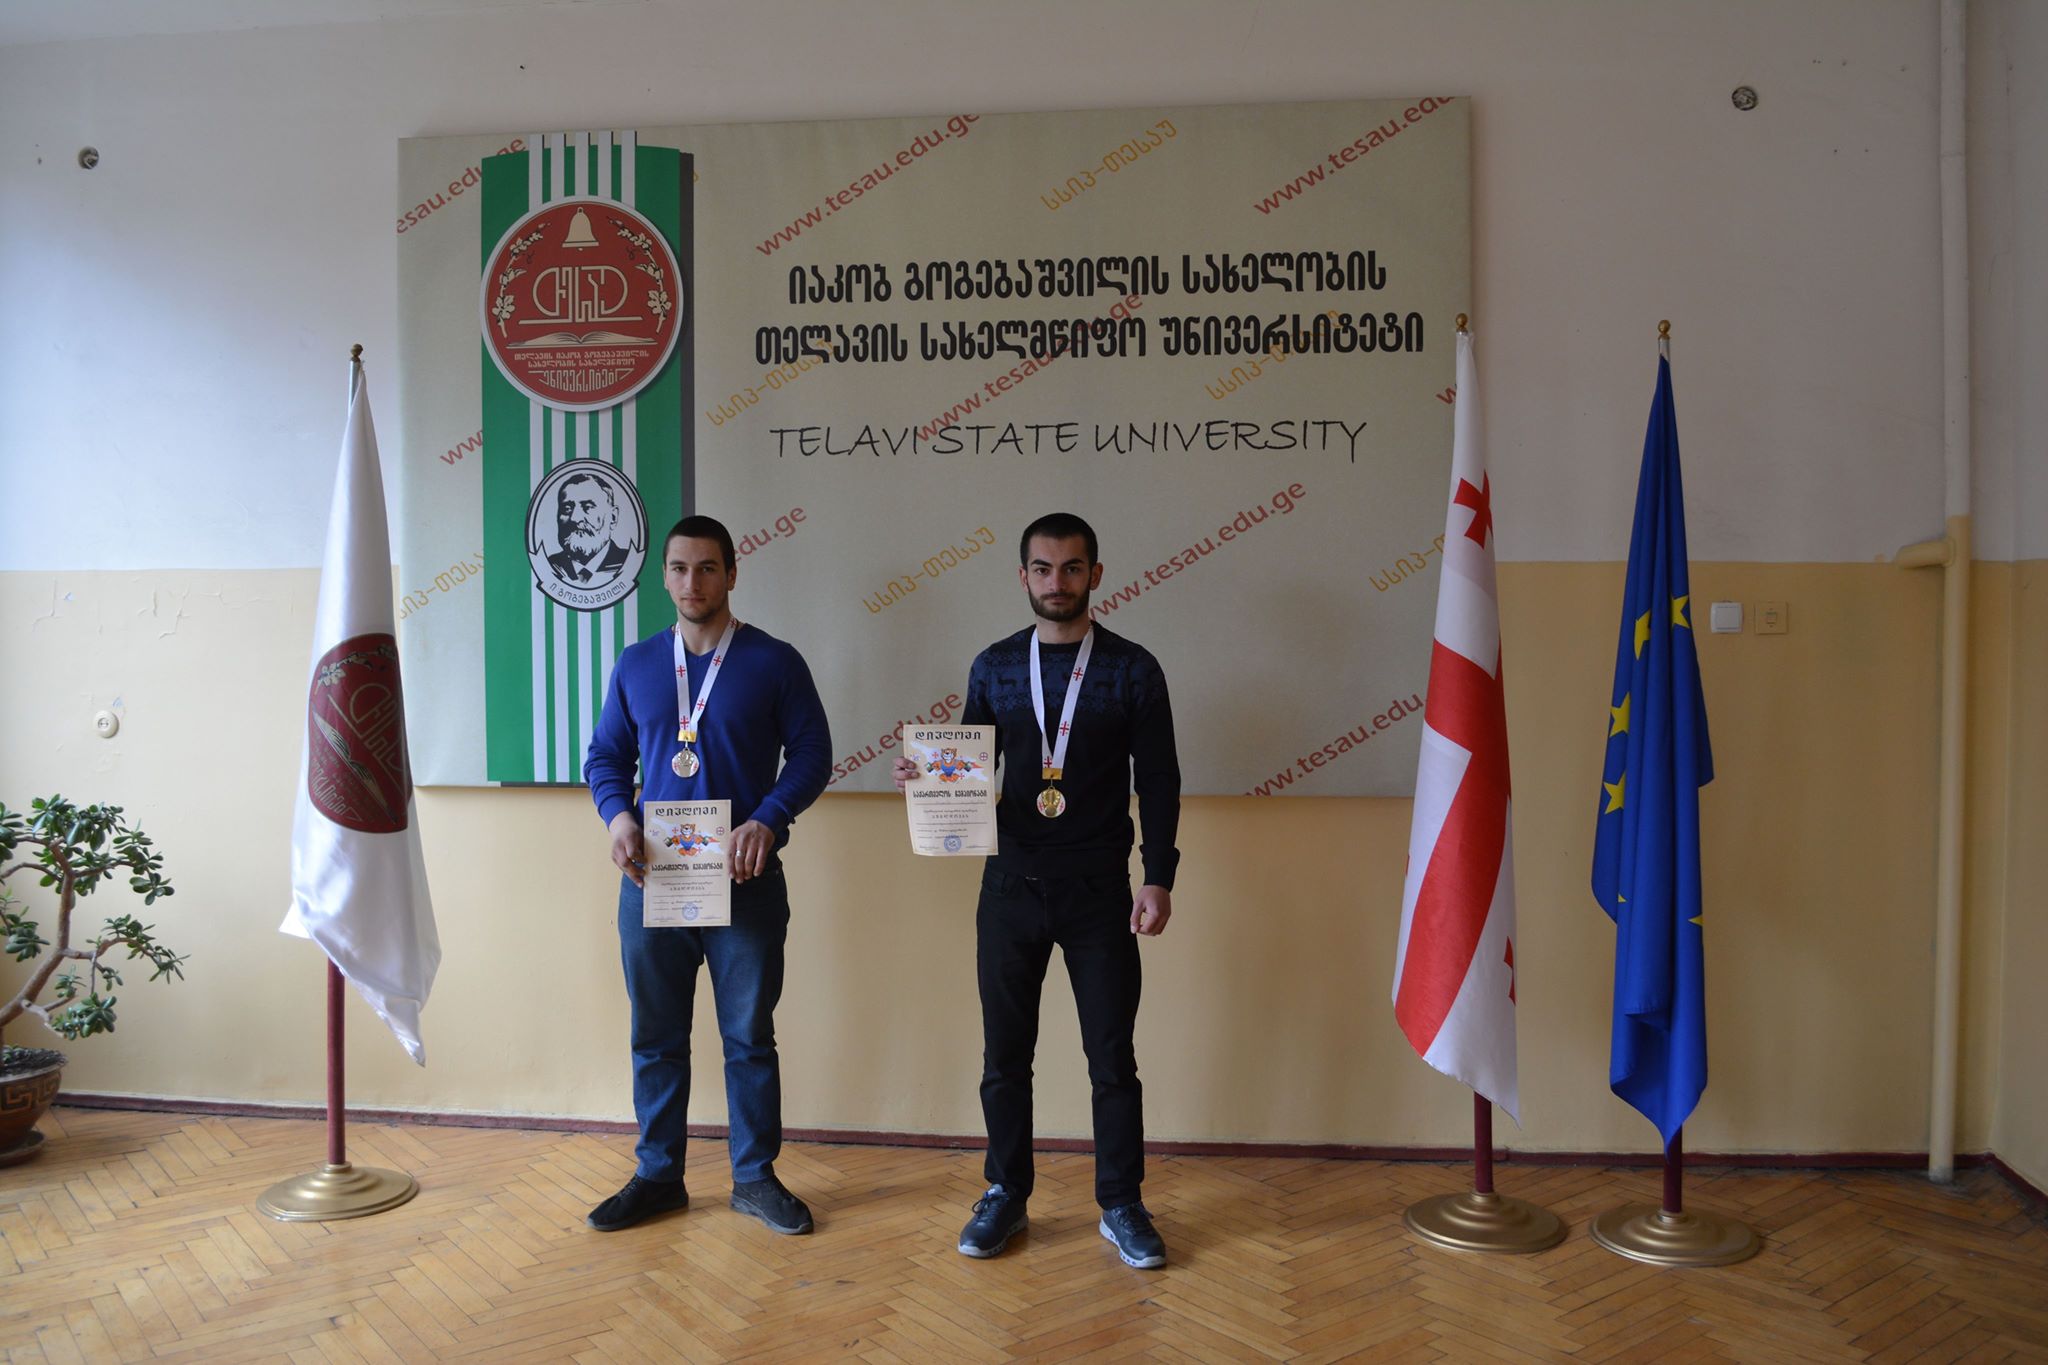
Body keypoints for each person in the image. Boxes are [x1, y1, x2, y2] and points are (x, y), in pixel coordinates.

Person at [893, 512, 1180, 1269]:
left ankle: (1120, 1202)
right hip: (1009, 888)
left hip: (1099, 892)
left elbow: (1159, 778)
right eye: (1044, 568)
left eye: (1073, 567)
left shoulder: (1132, 669)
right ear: (1023, 576)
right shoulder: (993, 666)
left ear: (1095, 574)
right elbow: (969, 764)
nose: (1058, 581)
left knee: (1111, 1059)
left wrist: (1158, 875)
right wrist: (925, 779)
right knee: (1004, 1057)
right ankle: (1005, 1192)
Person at [583, 514, 831, 1234]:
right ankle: (659, 1176)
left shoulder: (774, 661)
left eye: (708, 568)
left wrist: (769, 818)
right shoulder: (636, 664)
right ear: (664, 576)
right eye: (680, 568)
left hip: (744, 881)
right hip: (652, 880)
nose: (693, 582)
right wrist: (618, 818)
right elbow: (605, 757)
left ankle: (754, 1178)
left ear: (732, 573)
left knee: (748, 1036)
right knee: (655, 1035)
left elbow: (813, 754)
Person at [548, 471, 632, 586]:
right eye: (567, 509)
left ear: (613, 517)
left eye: (587, 507)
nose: (575, 518)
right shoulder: (549, 566)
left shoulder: (629, 563)